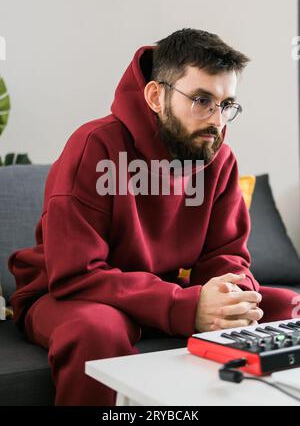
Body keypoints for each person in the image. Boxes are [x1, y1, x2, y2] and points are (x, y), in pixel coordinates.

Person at [8, 28, 299, 406]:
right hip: (71, 294)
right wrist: (186, 306)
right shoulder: (94, 146)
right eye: (201, 100)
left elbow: (226, 254)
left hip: (165, 292)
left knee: (282, 307)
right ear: (156, 95)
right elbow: (76, 272)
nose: (216, 120)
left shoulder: (219, 157)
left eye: (226, 105)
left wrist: (230, 294)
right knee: (96, 330)